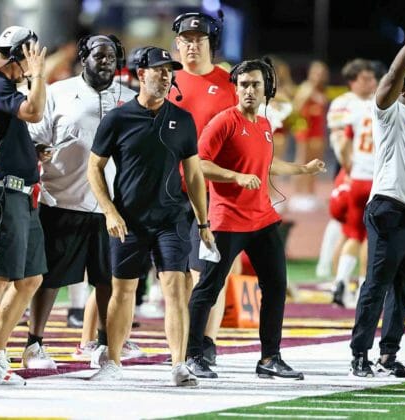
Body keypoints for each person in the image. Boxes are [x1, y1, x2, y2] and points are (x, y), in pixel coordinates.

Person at [186, 58, 325, 379]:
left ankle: (269, 358)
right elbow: (199, 164)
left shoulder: (264, 124)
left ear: (266, 90)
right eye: (244, 85)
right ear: (235, 89)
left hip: (262, 219)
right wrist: (235, 177)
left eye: (255, 85)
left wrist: (303, 169)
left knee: (276, 287)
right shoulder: (223, 122)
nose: (249, 90)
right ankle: (192, 355)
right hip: (226, 221)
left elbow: (266, 163)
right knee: (208, 288)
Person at [87, 46, 212, 386]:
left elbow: (194, 175)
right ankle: (112, 362)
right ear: (141, 74)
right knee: (123, 290)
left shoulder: (183, 120)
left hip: (172, 219)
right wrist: (109, 211)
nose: (166, 75)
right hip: (129, 219)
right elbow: (94, 167)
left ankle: (179, 365)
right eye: (159, 69)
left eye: (169, 70)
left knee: (175, 287)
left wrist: (203, 222)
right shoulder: (117, 118)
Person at [24, 34, 135, 369]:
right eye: (99, 56)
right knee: (48, 279)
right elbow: (34, 138)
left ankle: (104, 344)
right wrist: (39, 152)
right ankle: (34, 344)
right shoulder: (57, 92)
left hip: (111, 206)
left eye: (112, 56)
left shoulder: (129, 98)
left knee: (107, 279)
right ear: (84, 58)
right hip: (62, 198)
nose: (107, 62)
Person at [0, 26, 47, 386]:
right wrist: (37, 76)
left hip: (21, 193)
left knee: (30, 278)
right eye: (28, 58)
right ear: (18, 56)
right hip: (3, 194)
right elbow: (33, 111)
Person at [168, 11, 238, 366]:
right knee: (174, 277)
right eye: (186, 40)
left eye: (199, 40)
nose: (192, 46)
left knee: (207, 272)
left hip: (212, 193)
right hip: (167, 192)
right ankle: (184, 344)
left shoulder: (231, 85)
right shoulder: (165, 79)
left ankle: (205, 343)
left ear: (212, 43)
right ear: (177, 44)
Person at [349, 27, 405, 378]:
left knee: (404, 289)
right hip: (388, 209)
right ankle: (359, 354)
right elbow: (392, 75)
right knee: (377, 284)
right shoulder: (390, 113)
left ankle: (388, 355)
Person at [329, 59, 377, 307]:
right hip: (376, 179)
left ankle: (339, 282)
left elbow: (345, 144)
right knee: (371, 235)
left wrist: (350, 168)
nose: (373, 83)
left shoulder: (356, 110)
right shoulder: (382, 106)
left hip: (355, 176)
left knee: (353, 233)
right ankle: (362, 288)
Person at [290, 60, 329, 212]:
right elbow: (296, 108)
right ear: (311, 74)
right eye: (317, 73)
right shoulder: (306, 88)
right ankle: (298, 195)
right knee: (302, 163)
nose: (320, 76)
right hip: (306, 133)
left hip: (318, 132)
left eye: (322, 73)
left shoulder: (322, 90)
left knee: (316, 164)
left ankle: (310, 194)